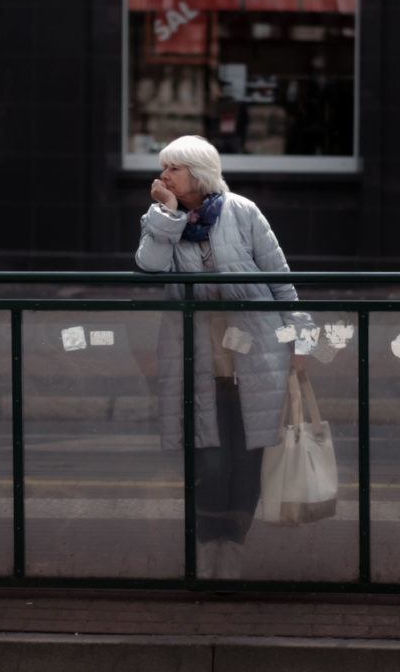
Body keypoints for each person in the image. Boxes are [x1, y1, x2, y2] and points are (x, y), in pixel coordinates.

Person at [136, 134, 308, 580]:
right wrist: (169, 215)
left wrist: (299, 342)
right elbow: (150, 266)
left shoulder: (243, 212)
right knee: (209, 465)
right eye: (164, 167)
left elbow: (280, 280)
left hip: (256, 359)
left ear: (198, 172)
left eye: (173, 168)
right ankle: (207, 545)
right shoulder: (160, 220)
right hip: (197, 363)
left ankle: (232, 548)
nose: (164, 175)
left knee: (247, 467)